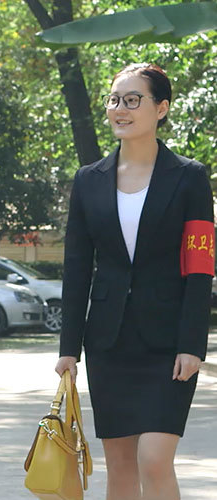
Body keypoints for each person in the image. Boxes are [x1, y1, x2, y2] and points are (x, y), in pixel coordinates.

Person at [55, 64, 214, 500]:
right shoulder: (89, 180)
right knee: (120, 468)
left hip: (168, 346)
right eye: (114, 100)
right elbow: (76, 266)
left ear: (160, 108)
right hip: (108, 342)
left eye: (132, 100)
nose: (119, 109)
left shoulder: (189, 177)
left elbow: (200, 266)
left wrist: (192, 344)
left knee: (155, 459)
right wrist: (69, 347)